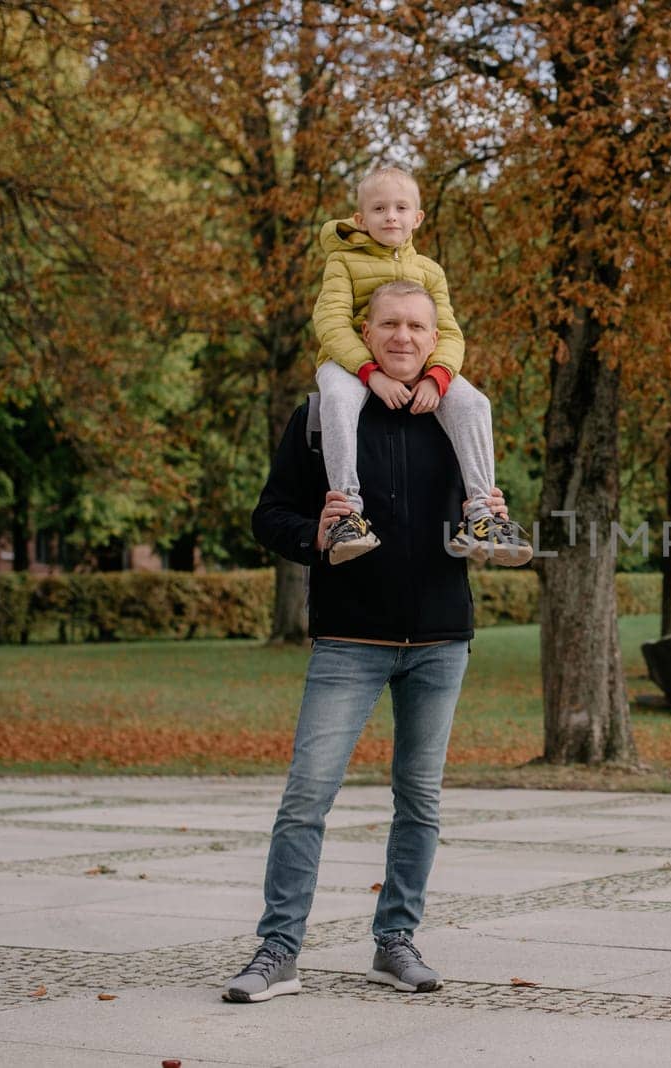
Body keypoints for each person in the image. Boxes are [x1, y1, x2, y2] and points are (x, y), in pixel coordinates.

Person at [224, 281, 503, 1003]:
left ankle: (395, 941)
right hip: (350, 638)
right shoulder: (324, 415)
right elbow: (269, 514)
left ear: (433, 333)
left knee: (420, 800)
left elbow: (475, 522)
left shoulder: (459, 415)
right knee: (306, 799)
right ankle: (278, 950)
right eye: (390, 324)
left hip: (442, 639)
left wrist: (492, 515)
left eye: (417, 325)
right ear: (366, 331)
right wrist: (314, 539)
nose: (404, 336)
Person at [310, 165, 530, 567]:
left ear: (417, 217)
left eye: (400, 207)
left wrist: (438, 376)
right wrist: (368, 372)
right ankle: (348, 516)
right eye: (379, 208)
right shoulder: (342, 261)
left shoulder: (430, 271)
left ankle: (483, 514)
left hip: (421, 365)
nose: (390, 216)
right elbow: (330, 321)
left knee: (475, 404)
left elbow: (447, 330)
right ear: (361, 219)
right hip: (349, 361)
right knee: (338, 399)